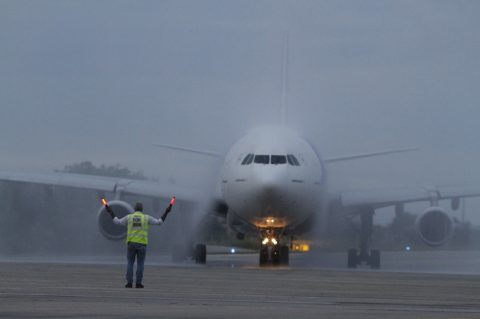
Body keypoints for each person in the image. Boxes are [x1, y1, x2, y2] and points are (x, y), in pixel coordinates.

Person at [105, 201, 173, 288]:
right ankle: (138, 283)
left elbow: (117, 221)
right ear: (142, 209)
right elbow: (159, 222)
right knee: (140, 264)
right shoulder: (146, 218)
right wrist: (167, 211)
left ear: (134, 209)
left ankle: (129, 283)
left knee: (130, 263)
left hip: (131, 244)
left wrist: (110, 211)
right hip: (142, 244)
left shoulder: (129, 217)